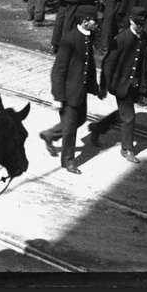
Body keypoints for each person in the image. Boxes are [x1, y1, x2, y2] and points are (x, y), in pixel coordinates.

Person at [40, 10, 102, 174]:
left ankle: (50, 134)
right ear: (84, 21)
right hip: (68, 94)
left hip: (79, 92)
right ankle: (68, 161)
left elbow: (88, 66)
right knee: (70, 129)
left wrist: (95, 88)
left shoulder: (87, 37)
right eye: (94, 20)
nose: (96, 23)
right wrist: (58, 97)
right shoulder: (70, 39)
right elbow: (58, 70)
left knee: (80, 119)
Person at [98, 6, 147, 163]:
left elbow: (143, 61)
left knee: (124, 115)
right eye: (137, 23)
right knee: (129, 117)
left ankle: (100, 128)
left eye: (142, 24)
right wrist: (105, 86)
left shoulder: (144, 37)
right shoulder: (121, 39)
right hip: (122, 85)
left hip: (136, 84)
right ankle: (127, 149)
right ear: (130, 21)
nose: (140, 27)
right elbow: (108, 63)